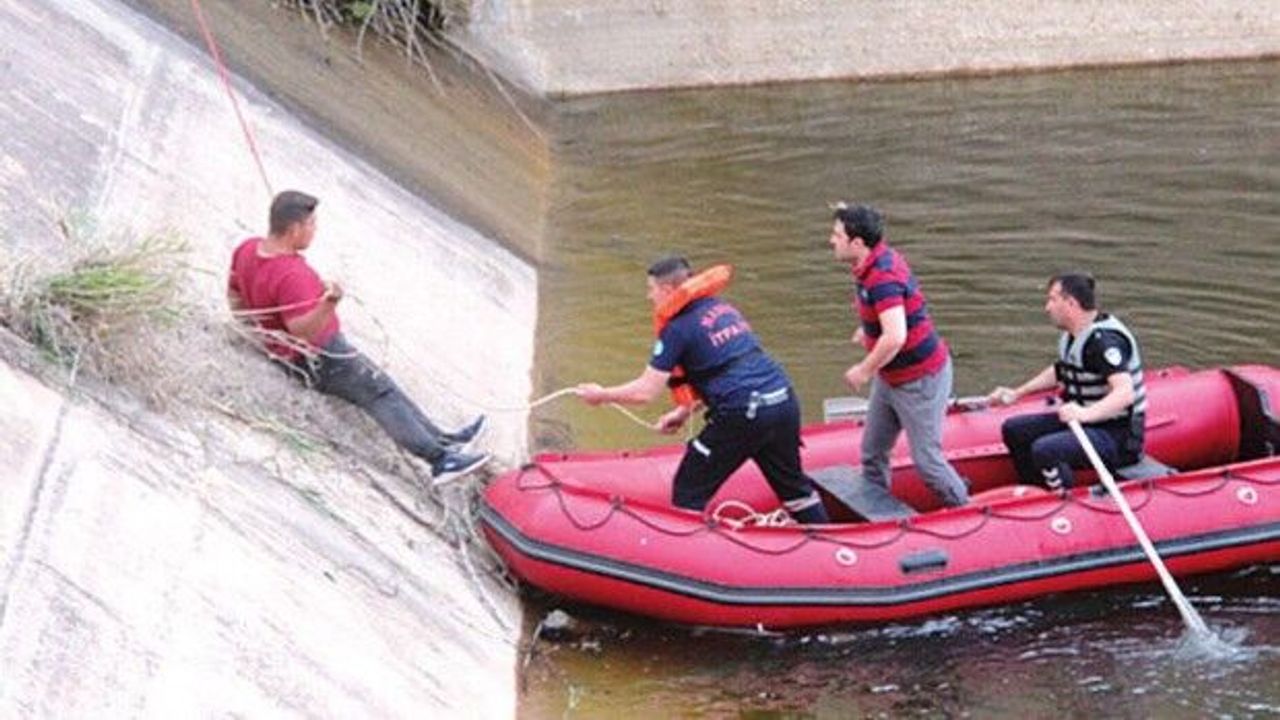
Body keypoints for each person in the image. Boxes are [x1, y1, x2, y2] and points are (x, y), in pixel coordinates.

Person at [227, 190, 490, 483]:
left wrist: (260, 334)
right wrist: (330, 302)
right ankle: (440, 460)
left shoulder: (247, 249)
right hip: (320, 357)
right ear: (295, 229)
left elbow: (235, 297)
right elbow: (302, 330)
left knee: (385, 387)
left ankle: (444, 441)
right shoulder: (292, 274)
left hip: (301, 354)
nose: (315, 230)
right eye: (312, 224)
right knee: (379, 397)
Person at [575, 256, 829, 524]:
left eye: (651, 289)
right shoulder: (722, 309)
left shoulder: (676, 329)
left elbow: (645, 392)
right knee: (794, 488)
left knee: (688, 489)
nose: (649, 296)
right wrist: (684, 412)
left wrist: (600, 395)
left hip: (743, 412)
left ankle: (684, 546)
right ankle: (825, 538)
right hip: (782, 400)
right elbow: (726, 369)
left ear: (668, 290)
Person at [830, 203, 969, 507]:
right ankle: (874, 509)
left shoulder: (882, 277)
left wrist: (864, 370)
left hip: (920, 379)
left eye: (837, 235)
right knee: (872, 451)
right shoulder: (871, 264)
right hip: (892, 376)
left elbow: (895, 336)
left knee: (928, 462)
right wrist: (868, 331)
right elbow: (895, 315)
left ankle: (965, 510)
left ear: (857, 243)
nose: (831, 241)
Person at [988, 272, 1146, 490]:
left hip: (1116, 434)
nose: (1047, 308)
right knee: (1015, 430)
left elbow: (1124, 393)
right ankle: (1036, 490)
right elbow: (1061, 371)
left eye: (1052, 300)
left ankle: (1064, 499)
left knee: (1046, 449)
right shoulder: (1074, 335)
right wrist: (1017, 392)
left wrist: (1085, 414)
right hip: (1086, 423)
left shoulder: (1104, 342)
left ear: (1071, 303)